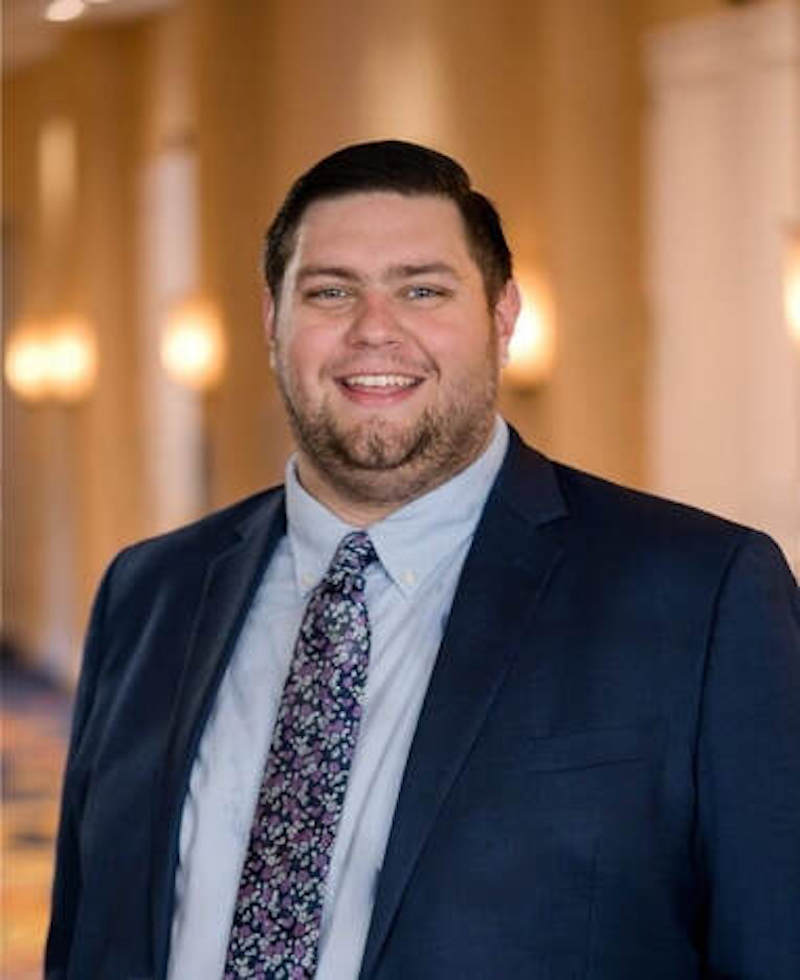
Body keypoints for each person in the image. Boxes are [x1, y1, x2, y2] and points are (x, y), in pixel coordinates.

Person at [46, 140, 800, 980]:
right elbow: (87, 935)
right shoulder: (149, 593)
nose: (375, 329)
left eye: (423, 290)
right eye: (330, 292)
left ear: (502, 316)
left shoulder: (699, 594)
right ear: (273, 322)